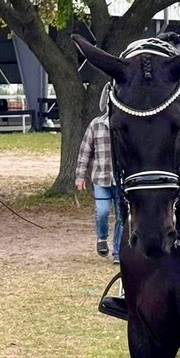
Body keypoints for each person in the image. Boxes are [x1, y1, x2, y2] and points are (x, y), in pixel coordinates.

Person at [76, 113, 122, 264]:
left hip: (121, 180)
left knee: (121, 217)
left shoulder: (125, 122)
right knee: (102, 211)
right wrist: (80, 176)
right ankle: (102, 237)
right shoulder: (96, 124)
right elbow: (85, 151)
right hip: (100, 178)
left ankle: (118, 252)